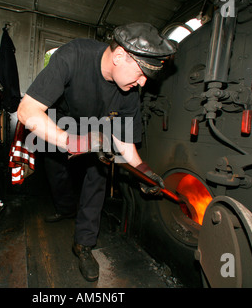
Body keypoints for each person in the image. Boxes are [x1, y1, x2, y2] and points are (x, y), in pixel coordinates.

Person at [16, 22, 177, 282]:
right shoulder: (73, 55)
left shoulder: (129, 91)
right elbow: (27, 112)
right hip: (60, 122)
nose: (143, 81)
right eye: (141, 72)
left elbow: (125, 144)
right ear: (119, 56)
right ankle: (66, 207)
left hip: (98, 129)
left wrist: (144, 172)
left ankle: (83, 244)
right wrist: (75, 142)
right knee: (55, 169)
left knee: (100, 172)